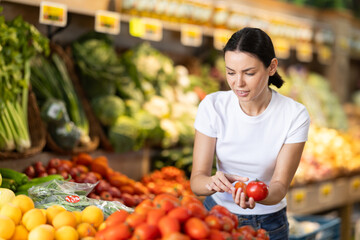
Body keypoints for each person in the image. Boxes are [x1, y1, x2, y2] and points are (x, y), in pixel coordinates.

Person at [190, 27, 310, 239]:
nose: (238, 83)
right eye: (231, 72)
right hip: (216, 217)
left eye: (249, 73)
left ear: (272, 67)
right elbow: (196, 182)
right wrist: (214, 182)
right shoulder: (212, 105)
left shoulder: (294, 114)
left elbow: (280, 186)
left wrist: (257, 195)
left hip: (269, 224)